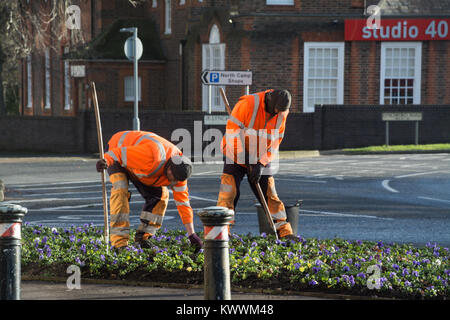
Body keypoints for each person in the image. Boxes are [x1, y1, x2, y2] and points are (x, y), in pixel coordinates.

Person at [96, 130, 203, 251]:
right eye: (172, 179)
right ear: (169, 169)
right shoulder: (151, 156)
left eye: (176, 181)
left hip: (138, 166)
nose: (173, 183)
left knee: (162, 196)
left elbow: (183, 204)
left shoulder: (180, 172)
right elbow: (117, 154)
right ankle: (119, 244)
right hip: (116, 151)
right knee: (120, 190)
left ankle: (143, 238)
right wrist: (105, 161)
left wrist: (192, 234)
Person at [217, 89, 297, 240]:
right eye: (274, 111)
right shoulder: (247, 104)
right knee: (229, 192)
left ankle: (284, 231)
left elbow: (275, 142)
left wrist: (261, 164)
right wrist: (245, 158)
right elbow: (232, 133)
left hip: (259, 156)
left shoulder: (282, 112)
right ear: (267, 102)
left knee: (270, 193)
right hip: (234, 154)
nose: (276, 115)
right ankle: (222, 231)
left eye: (279, 112)